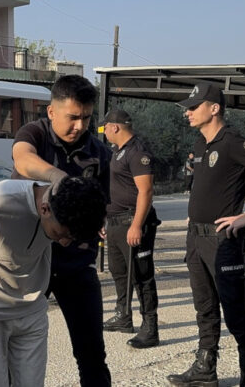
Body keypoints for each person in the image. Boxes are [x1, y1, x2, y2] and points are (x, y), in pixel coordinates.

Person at [167, 83, 245, 387]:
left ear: (214, 108)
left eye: (194, 107)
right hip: (196, 238)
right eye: (188, 108)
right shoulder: (200, 143)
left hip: (222, 241)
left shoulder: (232, 141)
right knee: (204, 309)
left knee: (235, 315)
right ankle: (205, 369)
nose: (189, 113)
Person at [0, 176, 107, 387]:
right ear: (45, 209)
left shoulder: (67, 203)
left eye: (72, 238)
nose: (64, 242)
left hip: (31, 310)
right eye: (60, 234)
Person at [11, 74, 112, 386]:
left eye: (85, 118)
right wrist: (58, 178)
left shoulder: (98, 152)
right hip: (27, 266)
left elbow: (104, 201)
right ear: (52, 111)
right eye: (72, 117)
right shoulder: (35, 134)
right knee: (15, 352)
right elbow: (22, 159)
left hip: (76, 266)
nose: (79, 126)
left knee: (92, 353)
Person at [101, 109, 161, 349]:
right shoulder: (118, 152)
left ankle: (150, 328)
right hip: (115, 221)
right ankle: (123, 315)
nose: (104, 132)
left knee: (141, 276)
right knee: (119, 273)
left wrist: (136, 225)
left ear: (115, 127)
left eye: (105, 127)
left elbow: (146, 191)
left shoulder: (137, 153)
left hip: (132, 222)